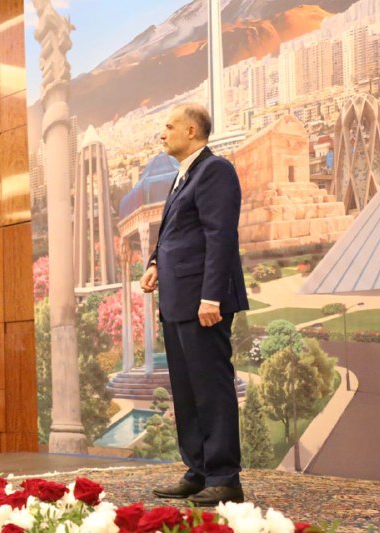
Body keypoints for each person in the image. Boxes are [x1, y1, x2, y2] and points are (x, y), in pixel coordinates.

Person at [140, 103, 249, 506]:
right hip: (177, 299)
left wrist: (211, 296)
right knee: (187, 391)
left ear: (190, 130)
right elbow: (176, 232)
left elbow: (220, 236)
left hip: (203, 301)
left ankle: (224, 477)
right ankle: (198, 471)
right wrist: (155, 264)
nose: (162, 134)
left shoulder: (215, 170)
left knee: (211, 388)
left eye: (169, 127)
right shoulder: (183, 175)